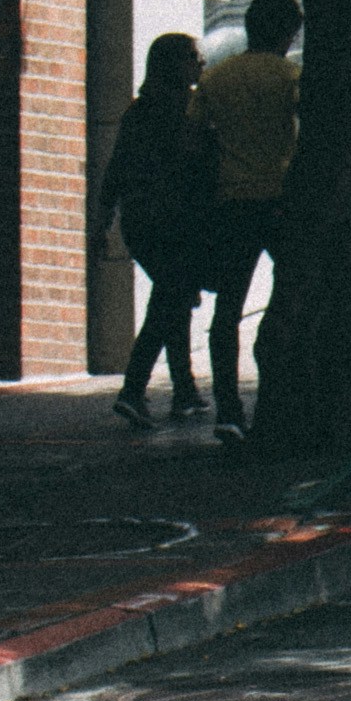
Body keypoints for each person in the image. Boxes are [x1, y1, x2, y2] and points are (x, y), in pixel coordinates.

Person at [188, 0, 304, 431]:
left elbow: (193, 142)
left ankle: (228, 407)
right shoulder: (291, 76)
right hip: (281, 201)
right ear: (289, 33)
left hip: (233, 203)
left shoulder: (217, 80)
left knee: (228, 311)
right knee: (295, 294)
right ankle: (285, 396)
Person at [92, 35, 219, 426]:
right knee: (169, 303)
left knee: (174, 299)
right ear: (174, 63)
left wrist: (103, 223)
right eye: (194, 58)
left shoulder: (138, 111)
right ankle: (133, 389)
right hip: (177, 221)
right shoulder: (189, 111)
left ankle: (185, 391)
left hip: (141, 223)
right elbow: (204, 167)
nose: (201, 64)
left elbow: (115, 173)